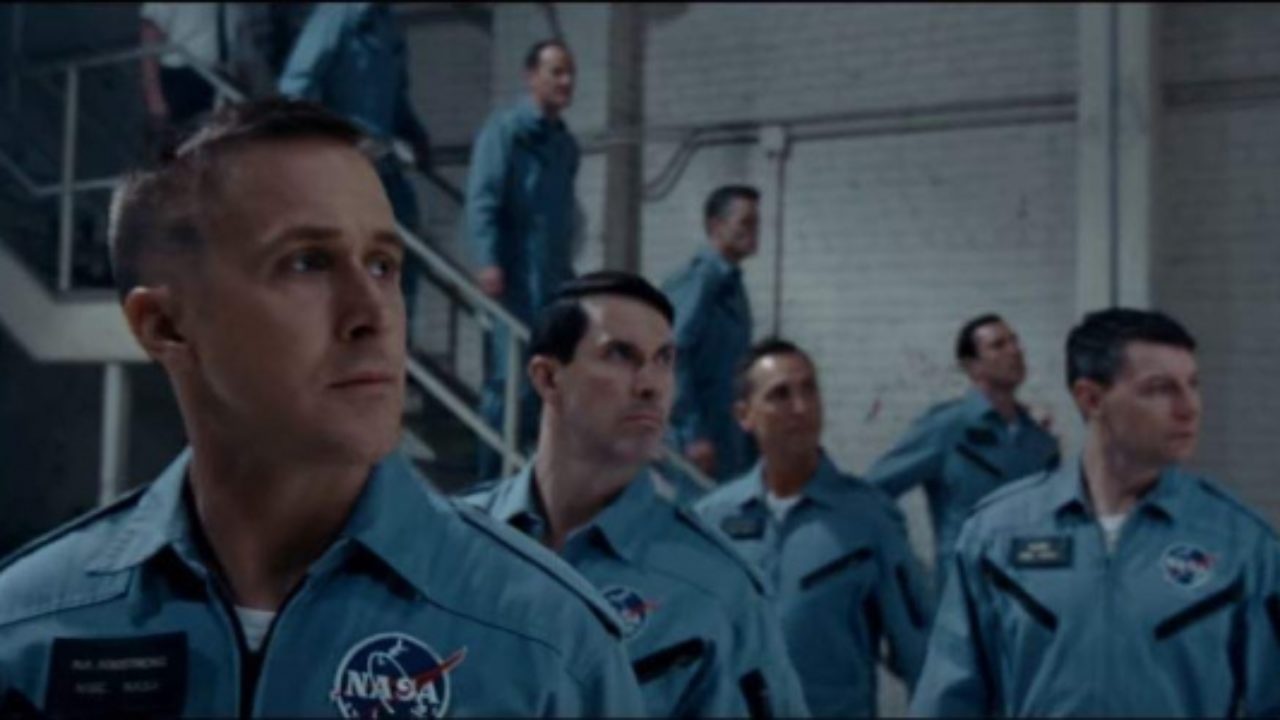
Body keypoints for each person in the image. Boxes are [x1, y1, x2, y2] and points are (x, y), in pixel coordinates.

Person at [0, 99, 645, 717]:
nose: (374, 314)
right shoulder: (26, 629)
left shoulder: (549, 643)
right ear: (165, 325)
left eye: (383, 265)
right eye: (307, 262)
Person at [464, 271, 810, 718]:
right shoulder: (453, 546)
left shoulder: (718, 589)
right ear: (548, 378)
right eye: (620, 354)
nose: (651, 384)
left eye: (664, 360)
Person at [911, 308, 1280, 717]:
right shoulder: (996, 535)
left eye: (1193, 385)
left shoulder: (1241, 544)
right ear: (1091, 398)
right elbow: (949, 699)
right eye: (1160, 389)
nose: (1189, 407)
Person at [696, 339, 932, 717]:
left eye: (809, 390)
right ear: (744, 415)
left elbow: (919, 651)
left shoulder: (869, 519)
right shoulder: (712, 520)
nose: (801, 407)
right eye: (780, 395)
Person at [278, 2, 433, 350]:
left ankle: (392, 344)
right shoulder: (337, 16)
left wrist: (415, 134)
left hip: (383, 163)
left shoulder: (387, 23)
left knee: (404, 249)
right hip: (345, 164)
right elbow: (295, 86)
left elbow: (396, 98)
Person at [864, 313, 1059, 590]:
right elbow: (873, 490)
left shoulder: (1039, 441)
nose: (1015, 351)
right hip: (965, 596)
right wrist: (901, 563)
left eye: (1015, 341)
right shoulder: (948, 428)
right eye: (998, 345)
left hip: (1031, 596)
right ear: (971, 366)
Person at [465, 39, 580, 479]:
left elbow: (562, 220)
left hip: (550, 281)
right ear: (531, 76)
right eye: (556, 72)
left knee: (543, 382)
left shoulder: (564, 145)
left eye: (570, 73)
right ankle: (488, 481)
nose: (566, 81)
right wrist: (487, 260)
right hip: (512, 279)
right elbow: (483, 199)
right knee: (509, 383)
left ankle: (520, 479)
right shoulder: (506, 132)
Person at [662, 185, 761, 483]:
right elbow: (671, 355)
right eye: (745, 222)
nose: (755, 231)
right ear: (716, 226)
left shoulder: (730, 283)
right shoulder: (701, 280)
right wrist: (693, 433)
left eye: (756, 223)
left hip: (726, 432)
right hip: (698, 440)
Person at [140, 2, 251, 156]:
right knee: (185, 151)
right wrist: (155, 98)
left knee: (223, 148)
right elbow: (150, 31)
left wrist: (244, 78)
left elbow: (238, 30)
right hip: (184, 78)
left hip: (224, 77)